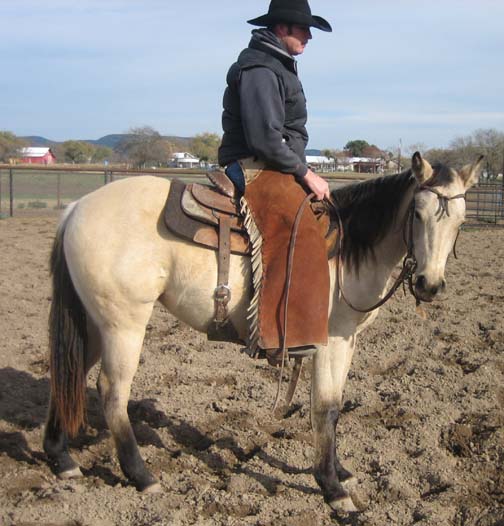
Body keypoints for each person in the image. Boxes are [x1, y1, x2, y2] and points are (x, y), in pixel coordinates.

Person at [218, 0, 332, 364]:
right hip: (253, 164)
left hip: (272, 162)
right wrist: (305, 172)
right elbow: (265, 139)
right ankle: (280, 334)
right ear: (282, 28)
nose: (309, 36)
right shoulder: (261, 69)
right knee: (293, 223)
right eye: (303, 28)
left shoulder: (276, 65)